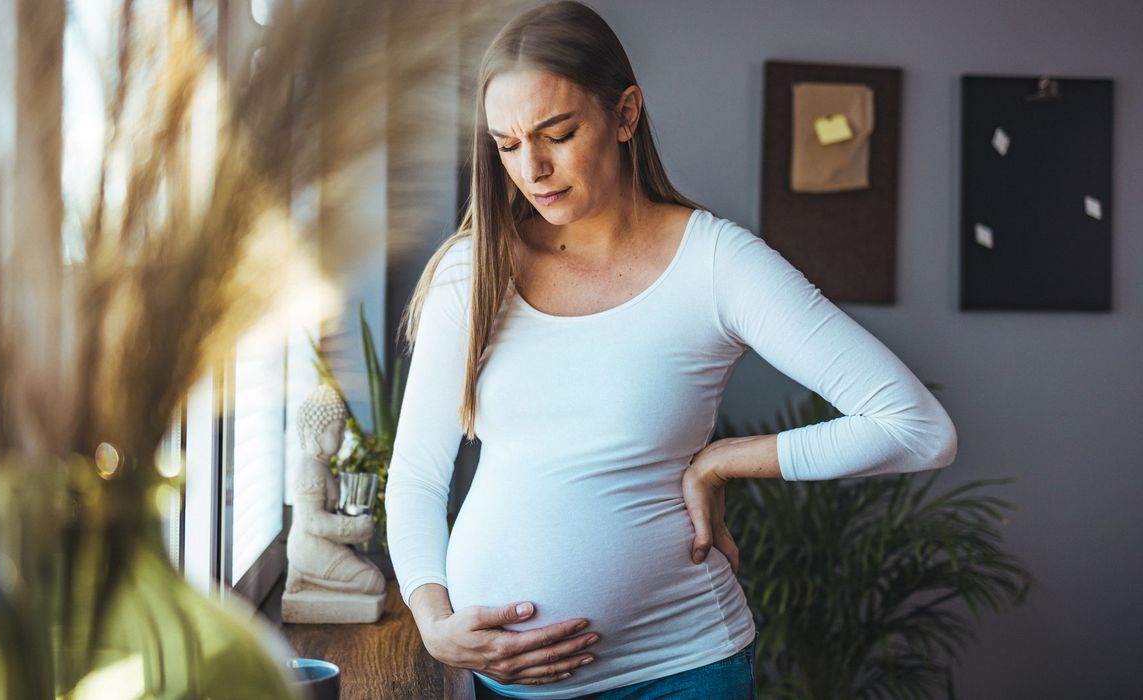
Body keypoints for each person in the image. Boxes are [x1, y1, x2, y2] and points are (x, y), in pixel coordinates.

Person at [383, 2, 959, 698]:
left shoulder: (716, 264)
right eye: (505, 144)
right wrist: (433, 619)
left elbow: (918, 429)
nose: (532, 168)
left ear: (625, 115)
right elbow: (417, 475)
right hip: (505, 685)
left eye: (557, 134)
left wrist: (722, 461)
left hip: (681, 672)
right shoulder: (472, 272)